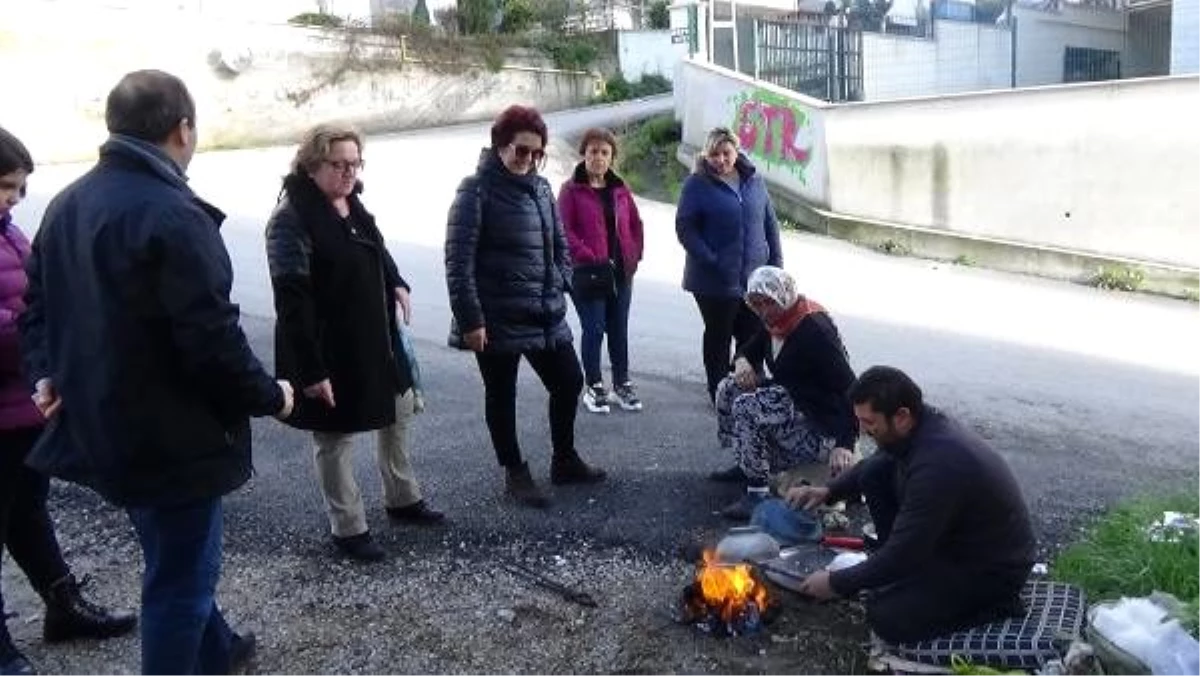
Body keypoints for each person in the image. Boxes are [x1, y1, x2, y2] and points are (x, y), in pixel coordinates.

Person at [19, 71, 294, 675]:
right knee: (179, 583)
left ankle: (218, 651)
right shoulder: (174, 214)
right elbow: (212, 340)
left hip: (105, 428)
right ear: (183, 129)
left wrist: (44, 373)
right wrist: (271, 395)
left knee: (174, 557)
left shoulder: (67, 204)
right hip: (172, 439)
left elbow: (35, 306)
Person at [266, 123, 443, 563]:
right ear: (312, 166)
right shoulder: (291, 219)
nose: (349, 172)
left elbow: (376, 249)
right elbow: (292, 301)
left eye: (355, 163)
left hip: (375, 339)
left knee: (398, 412)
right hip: (328, 346)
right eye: (338, 164)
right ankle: (348, 527)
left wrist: (397, 281)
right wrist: (310, 371)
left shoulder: (352, 203)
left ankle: (402, 497)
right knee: (334, 435)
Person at [0, 128, 137, 675]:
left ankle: (62, 604)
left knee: (29, 512)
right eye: (6, 186)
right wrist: (56, 332)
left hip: (23, 408)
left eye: (18, 190)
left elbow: (34, 298)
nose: (12, 199)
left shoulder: (9, 234)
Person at [789, 366, 1036, 644]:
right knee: (875, 473)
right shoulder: (919, 427)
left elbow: (902, 553)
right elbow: (876, 463)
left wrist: (835, 583)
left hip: (990, 570)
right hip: (954, 543)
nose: (863, 431)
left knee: (886, 616)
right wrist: (828, 491)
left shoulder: (938, 465)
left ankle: (998, 607)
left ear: (902, 416)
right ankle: (903, 578)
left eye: (870, 423)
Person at [445, 105, 605, 509]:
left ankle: (564, 460)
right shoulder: (474, 191)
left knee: (568, 381)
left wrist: (562, 281)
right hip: (495, 317)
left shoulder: (541, 188)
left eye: (538, 154)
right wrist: (471, 319)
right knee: (502, 394)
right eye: (521, 151)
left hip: (544, 311)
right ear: (500, 146)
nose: (529, 160)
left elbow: (560, 244)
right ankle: (514, 471)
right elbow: (458, 261)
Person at [710, 266, 859, 520]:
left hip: (819, 421)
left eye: (768, 303)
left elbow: (851, 388)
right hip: (794, 399)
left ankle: (757, 493)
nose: (763, 311)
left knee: (747, 406)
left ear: (784, 297)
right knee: (728, 388)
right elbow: (749, 349)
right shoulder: (777, 322)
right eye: (756, 304)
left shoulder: (813, 330)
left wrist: (845, 443)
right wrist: (742, 361)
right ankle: (746, 463)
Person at [675, 127, 783, 404]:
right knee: (719, 335)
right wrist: (711, 259)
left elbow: (769, 223)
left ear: (736, 151)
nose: (721, 160)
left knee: (751, 336)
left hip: (753, 278)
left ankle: (746, 389)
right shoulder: (697, 184)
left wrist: (776, 266)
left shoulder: (754, 180)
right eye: (714, 154)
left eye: (726, 153)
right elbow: (685, 227)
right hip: (713, 279)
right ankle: (719, 390)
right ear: (706, 154)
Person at [557, 127, 645, 415]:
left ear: (611, 157)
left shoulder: (620, 188)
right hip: (588, 272)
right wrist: (588, 255)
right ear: (584, 154)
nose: (598, 157)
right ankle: (594, 386)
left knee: (618, 329)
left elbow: (635, 223)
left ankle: (622, 384)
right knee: (594, 329)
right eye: (593, 151)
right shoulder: (571, 190)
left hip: (621, 273)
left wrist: (634, 254)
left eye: (604, 152)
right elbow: (563, 230)